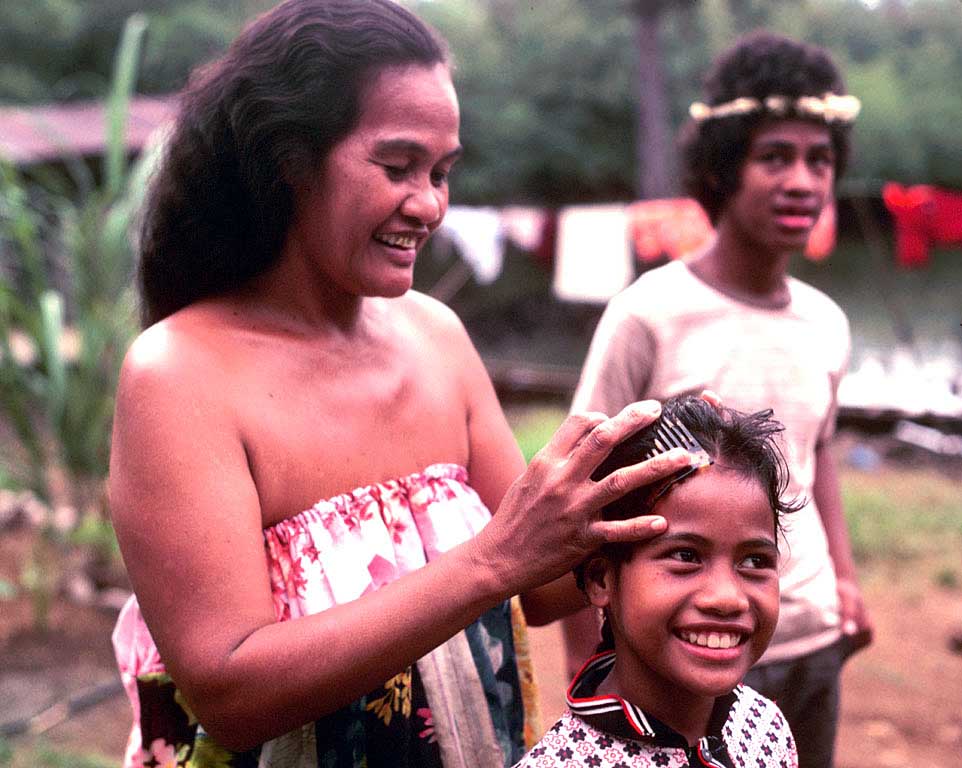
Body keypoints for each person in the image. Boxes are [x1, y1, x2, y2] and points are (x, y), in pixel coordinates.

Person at [107, 2, 694, 767]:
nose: (430, 205)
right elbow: (231, 693)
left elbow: (542, 586)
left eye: (443, 172)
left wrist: (656, 465)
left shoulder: (435, 335)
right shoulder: (180, 375)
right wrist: (490, 564)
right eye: (398, 167)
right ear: (290, 158)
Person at [564, 31, 873, 768]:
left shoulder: (826, 321)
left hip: (806, 635)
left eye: (819, 160)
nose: (801, 180)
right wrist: (590, 677)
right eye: (775, 157)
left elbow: (813, 450)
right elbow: (584, 497)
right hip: (679, 644)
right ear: (722, 167)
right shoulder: (649, 313)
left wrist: (847, 582)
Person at [515, 395, 801, 767]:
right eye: (685, 556)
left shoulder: (764, 728)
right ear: (602, 579)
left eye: (754, 560)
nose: (728, 598)